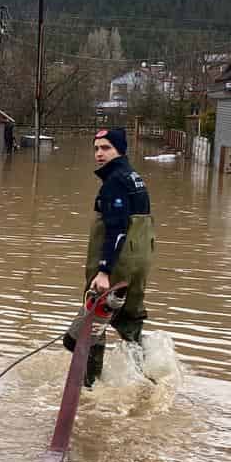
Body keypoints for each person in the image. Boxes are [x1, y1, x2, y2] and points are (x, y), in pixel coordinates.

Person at [70, 127, 155, 386]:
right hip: (138, 262)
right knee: (130, 323)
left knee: (93, 323)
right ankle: (143, 378)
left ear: (120, 150)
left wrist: (104, 271)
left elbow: (116, 229)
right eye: (96, 148)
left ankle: (89, 384)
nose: (99, 154)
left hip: (116, 265)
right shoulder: (134, 177)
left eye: (106, 148)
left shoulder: (114, 182)